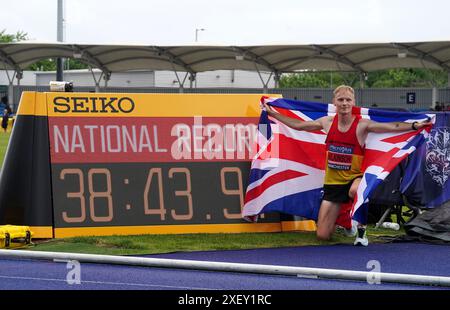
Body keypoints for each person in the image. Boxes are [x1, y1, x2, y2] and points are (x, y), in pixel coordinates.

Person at [263, 85, 432, 246]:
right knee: (322, 235)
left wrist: (414, 125)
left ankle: (361, 231)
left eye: (348, 100)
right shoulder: (327, 122)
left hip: (354, 178)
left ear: (353, 102)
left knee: (355, 190)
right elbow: (299, 125)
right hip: (333, 184)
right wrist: (274, 114)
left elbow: (391, 126)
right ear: (334, 102)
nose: (344, 103)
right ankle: (348, 225)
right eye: (341, 100)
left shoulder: (361, 124)